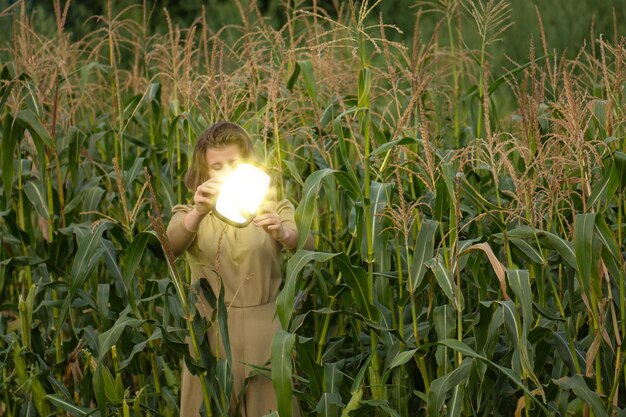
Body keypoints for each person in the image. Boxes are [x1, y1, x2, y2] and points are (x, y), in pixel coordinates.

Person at [166, 121, 312, 417]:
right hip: (210, 337)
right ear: (205, 171)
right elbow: (169, 246)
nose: (226, 171)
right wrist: (197, 212)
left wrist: (284, 234)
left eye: (233, 162)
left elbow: (307, 244)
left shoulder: (272, 207)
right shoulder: (191, 214)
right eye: (217, 166)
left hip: (266, 335)